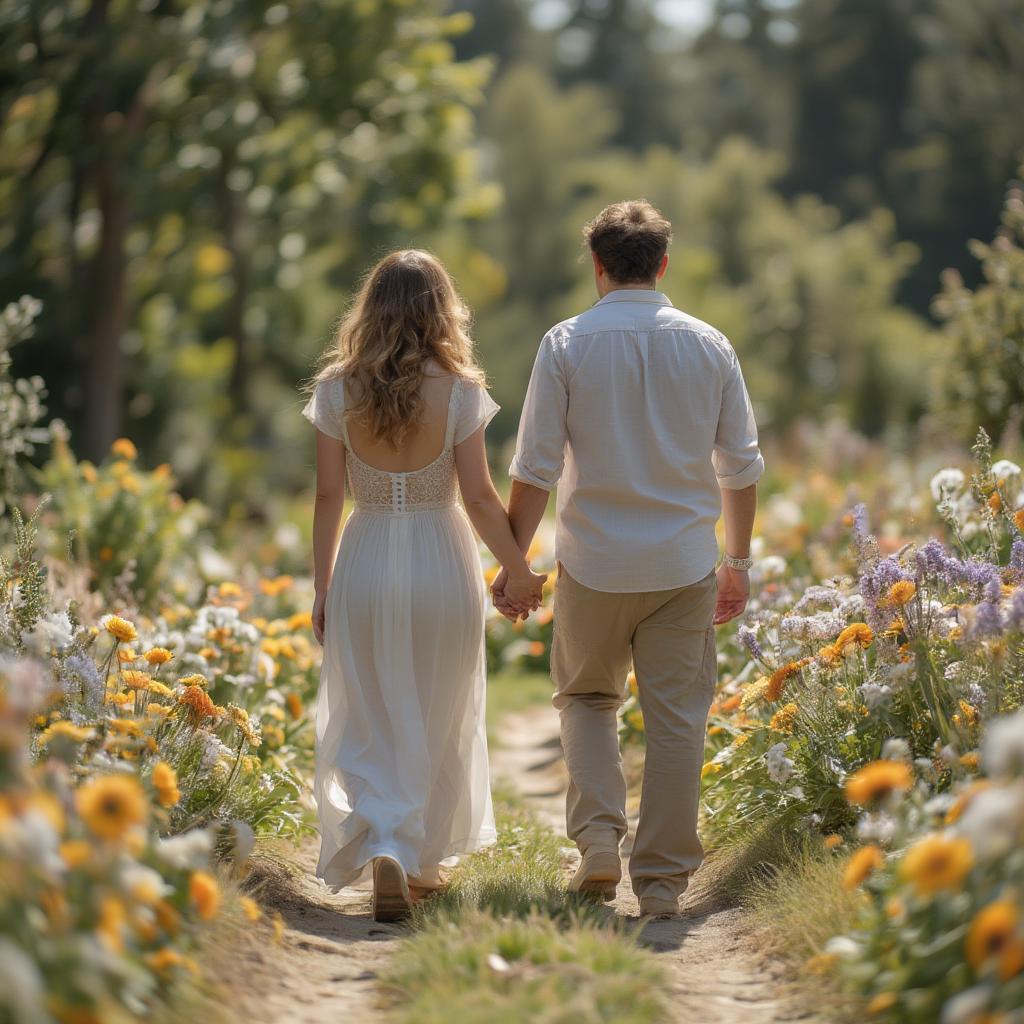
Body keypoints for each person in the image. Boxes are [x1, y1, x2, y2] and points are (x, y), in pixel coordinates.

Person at [492, 200, 763, 918]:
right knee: (677, 720)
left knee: (586, 699)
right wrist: (737, 562)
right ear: (664, 265)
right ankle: (665, 882)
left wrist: (515, 563)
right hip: (682, 565)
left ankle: (599, 844)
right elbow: (740, 469)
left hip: (594, 564)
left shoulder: (565, 344)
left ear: (598, 265)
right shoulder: (711, 345)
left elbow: (535, 470)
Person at [302, 250, 545, 922]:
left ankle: (392, 844)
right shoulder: (462, 392)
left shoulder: (333, 391)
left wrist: (322, 586)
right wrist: (518, 570)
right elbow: (480, 498)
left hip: (367, 556)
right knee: (440, 706)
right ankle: (414, 857)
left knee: (372, 708)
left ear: (368, 308)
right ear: (443, 309)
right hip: (441, 560)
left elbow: (328, 495)